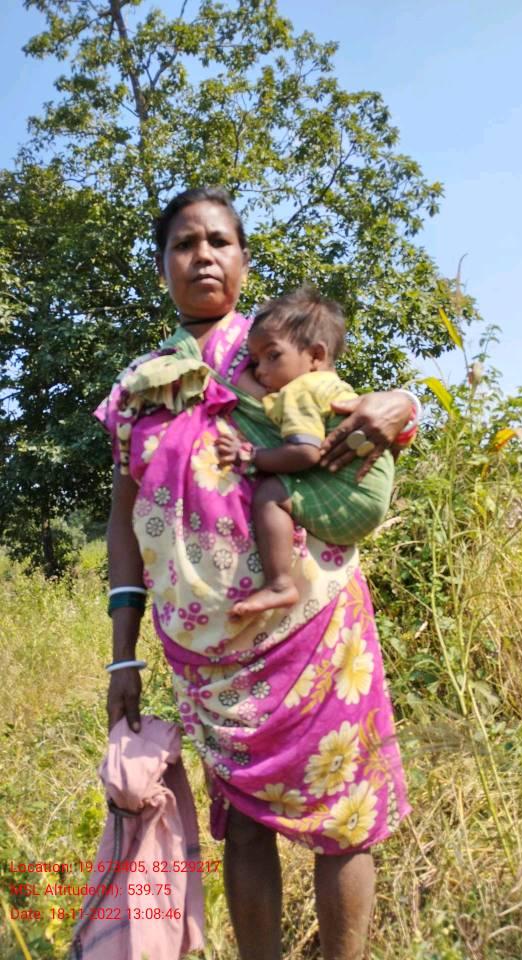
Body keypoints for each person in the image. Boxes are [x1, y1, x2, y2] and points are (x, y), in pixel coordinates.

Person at [96, 186, 418, 960]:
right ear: (162, 267)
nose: (202, 255)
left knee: (346, 822)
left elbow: (362, 410)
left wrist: (402, 400)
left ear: (243, 259)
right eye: (183, 244)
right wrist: (122, 654)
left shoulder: (276, 351)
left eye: (219, 241)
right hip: (209, 650)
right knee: (241, 825)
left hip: (317, 628)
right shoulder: (139, 391)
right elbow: (124, 523)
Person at [215, 287, 398, 620]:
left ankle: (279, 584)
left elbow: (304, 453)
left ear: (315, 355)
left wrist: (250, 456)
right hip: (368, 494)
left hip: (348, 497)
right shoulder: (331, 387)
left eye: (272, 356)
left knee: (271, 495)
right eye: (255, 362)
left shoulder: (300, 391)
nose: (261, 371)